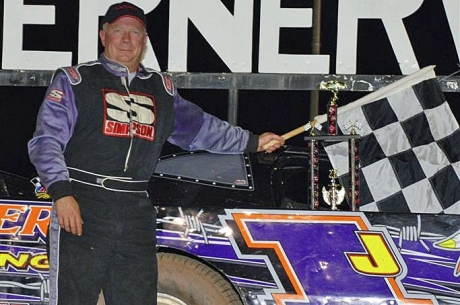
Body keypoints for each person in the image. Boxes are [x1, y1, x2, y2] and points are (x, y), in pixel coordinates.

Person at [27, 2, 284, 304]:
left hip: (135, 209)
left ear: (144, 41)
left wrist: (253, 142)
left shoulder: (161, 88)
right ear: (103, 36)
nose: (126, 39)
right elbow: (45, 141)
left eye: (135, 32)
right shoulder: (75, 80)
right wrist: (62, 193)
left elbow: (203, 129)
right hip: (83, 204)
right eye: (118, 31)